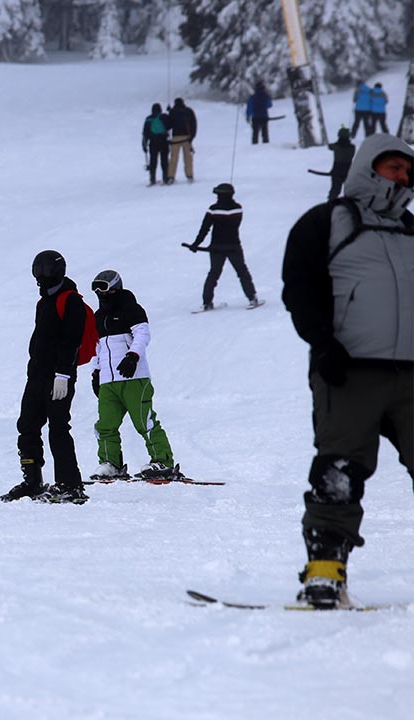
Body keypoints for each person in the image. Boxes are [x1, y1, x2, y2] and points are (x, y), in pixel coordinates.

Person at [281, 133, 414, 609]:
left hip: (411, 373)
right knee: (340, 469)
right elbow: (299, 286)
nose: (401, 177)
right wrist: (323, 344)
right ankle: (324, 572)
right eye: (391, 167)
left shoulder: (410, 228)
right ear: (366, 168)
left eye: (406, 169)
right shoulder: (327, 221)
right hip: (349, 371)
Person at [0, 250, 88, 504]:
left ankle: (70, 485)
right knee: (27, 426)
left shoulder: (70, 300)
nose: (41, 276)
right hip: (37, 376)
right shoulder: (45, 302)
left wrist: (63, 374)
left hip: (59, 378)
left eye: (46, 270)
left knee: (58, 428)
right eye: (37, 270)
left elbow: (72, 340)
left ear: (59, 270)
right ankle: (32, 481)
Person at [87, 270, 181, 482]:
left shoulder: (131, 308)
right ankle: (111, 464)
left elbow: (142, 333)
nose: (99, 292)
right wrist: (96, 372)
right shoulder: (98, 316)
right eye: (95, 288)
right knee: (105, 425)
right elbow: (97, 347)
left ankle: (162, 461)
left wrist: (133, 356)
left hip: (133, 377)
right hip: (109, 381)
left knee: (144, 422)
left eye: (102, 287)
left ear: (115, 287)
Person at [186, 183, 260, 310]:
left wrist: (196, 244)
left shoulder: (213, 209)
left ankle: (207, 302)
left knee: (213, 274)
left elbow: (205, 229)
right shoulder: (238, 209)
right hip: (234, 246)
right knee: (242, 272)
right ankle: (252, 298)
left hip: (216, 247)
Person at [166, 97, 197, 184]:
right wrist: (192, 137)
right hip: (187, 138)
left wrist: (169, 112)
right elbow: (194, 124)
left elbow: (168, 125)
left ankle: (171, 176)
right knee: (188, 158)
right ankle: (189, 175)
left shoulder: (172, 112)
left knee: (173, 158)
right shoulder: (188, 111)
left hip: (175, 138)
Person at [141, 102, 170, 185]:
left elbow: (145, 133)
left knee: (153, 161)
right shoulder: (164, 117)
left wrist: (144, 145)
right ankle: (165, 178)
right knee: (164, 161)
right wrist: (169, 112)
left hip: (153, 142)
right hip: (164, 141)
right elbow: (170, 125)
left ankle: (152, 179)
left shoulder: (148, 119)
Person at [326, 127, 355, 201]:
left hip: (336, 171)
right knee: (350, 192)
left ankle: (330, 205)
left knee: (335, 191)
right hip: (348, 171)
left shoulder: (336, 146)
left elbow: (330, 147)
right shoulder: (352, 147)